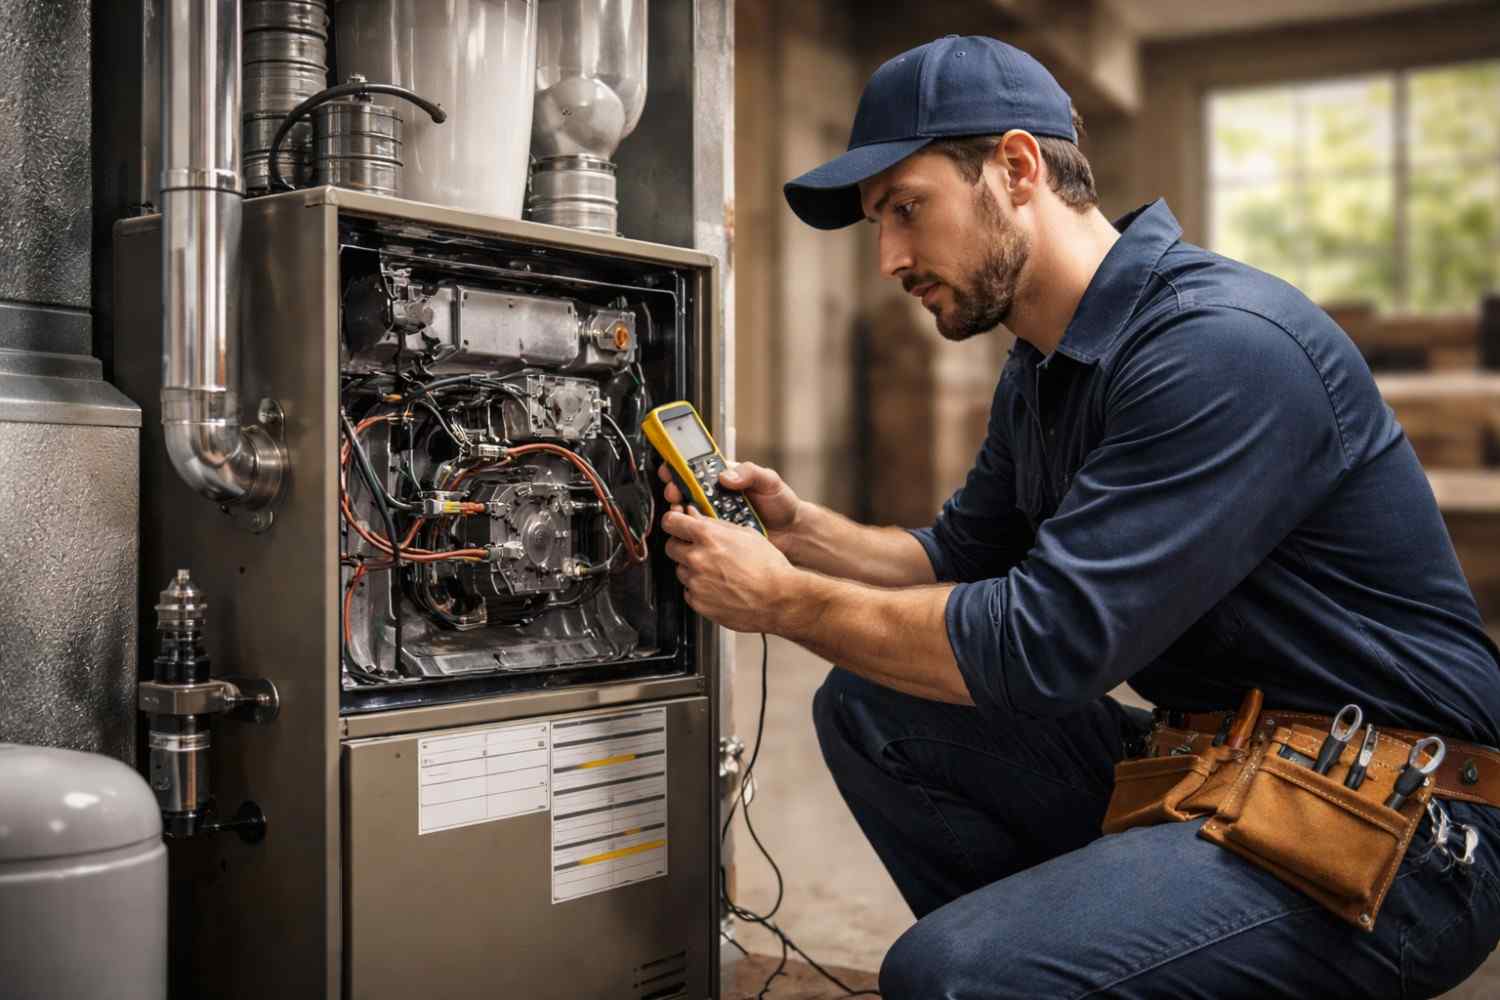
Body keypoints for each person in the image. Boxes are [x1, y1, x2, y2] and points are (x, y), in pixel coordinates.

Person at [658, 34, 1500, 997]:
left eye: (905, 209)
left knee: (949, 976)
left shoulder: (1218, 349)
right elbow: (958, 557)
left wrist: (783, 601)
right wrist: (800, 528)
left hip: (1404, 824)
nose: (888, 257)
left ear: (1016, 169)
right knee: (877, 704)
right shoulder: (1046, 365)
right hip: (1208, 767)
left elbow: (1043, 645)